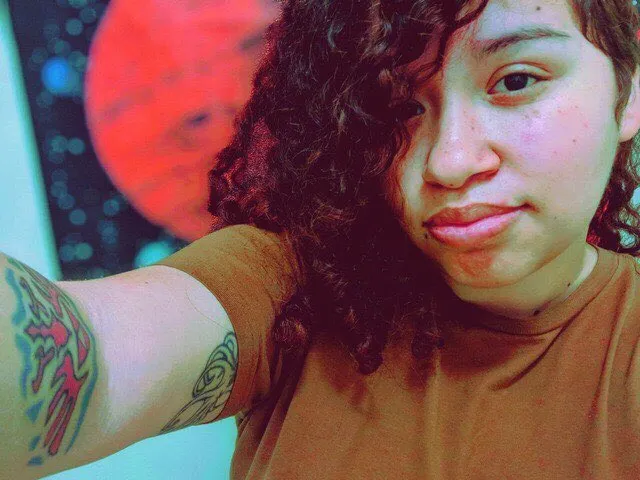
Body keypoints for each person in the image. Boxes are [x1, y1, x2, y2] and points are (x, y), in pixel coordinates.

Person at [2, 0, 640, 478]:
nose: (449, 161)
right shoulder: (296, 286)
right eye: (398, 109)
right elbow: (89, 360)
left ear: (628, 85)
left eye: (517, 81)